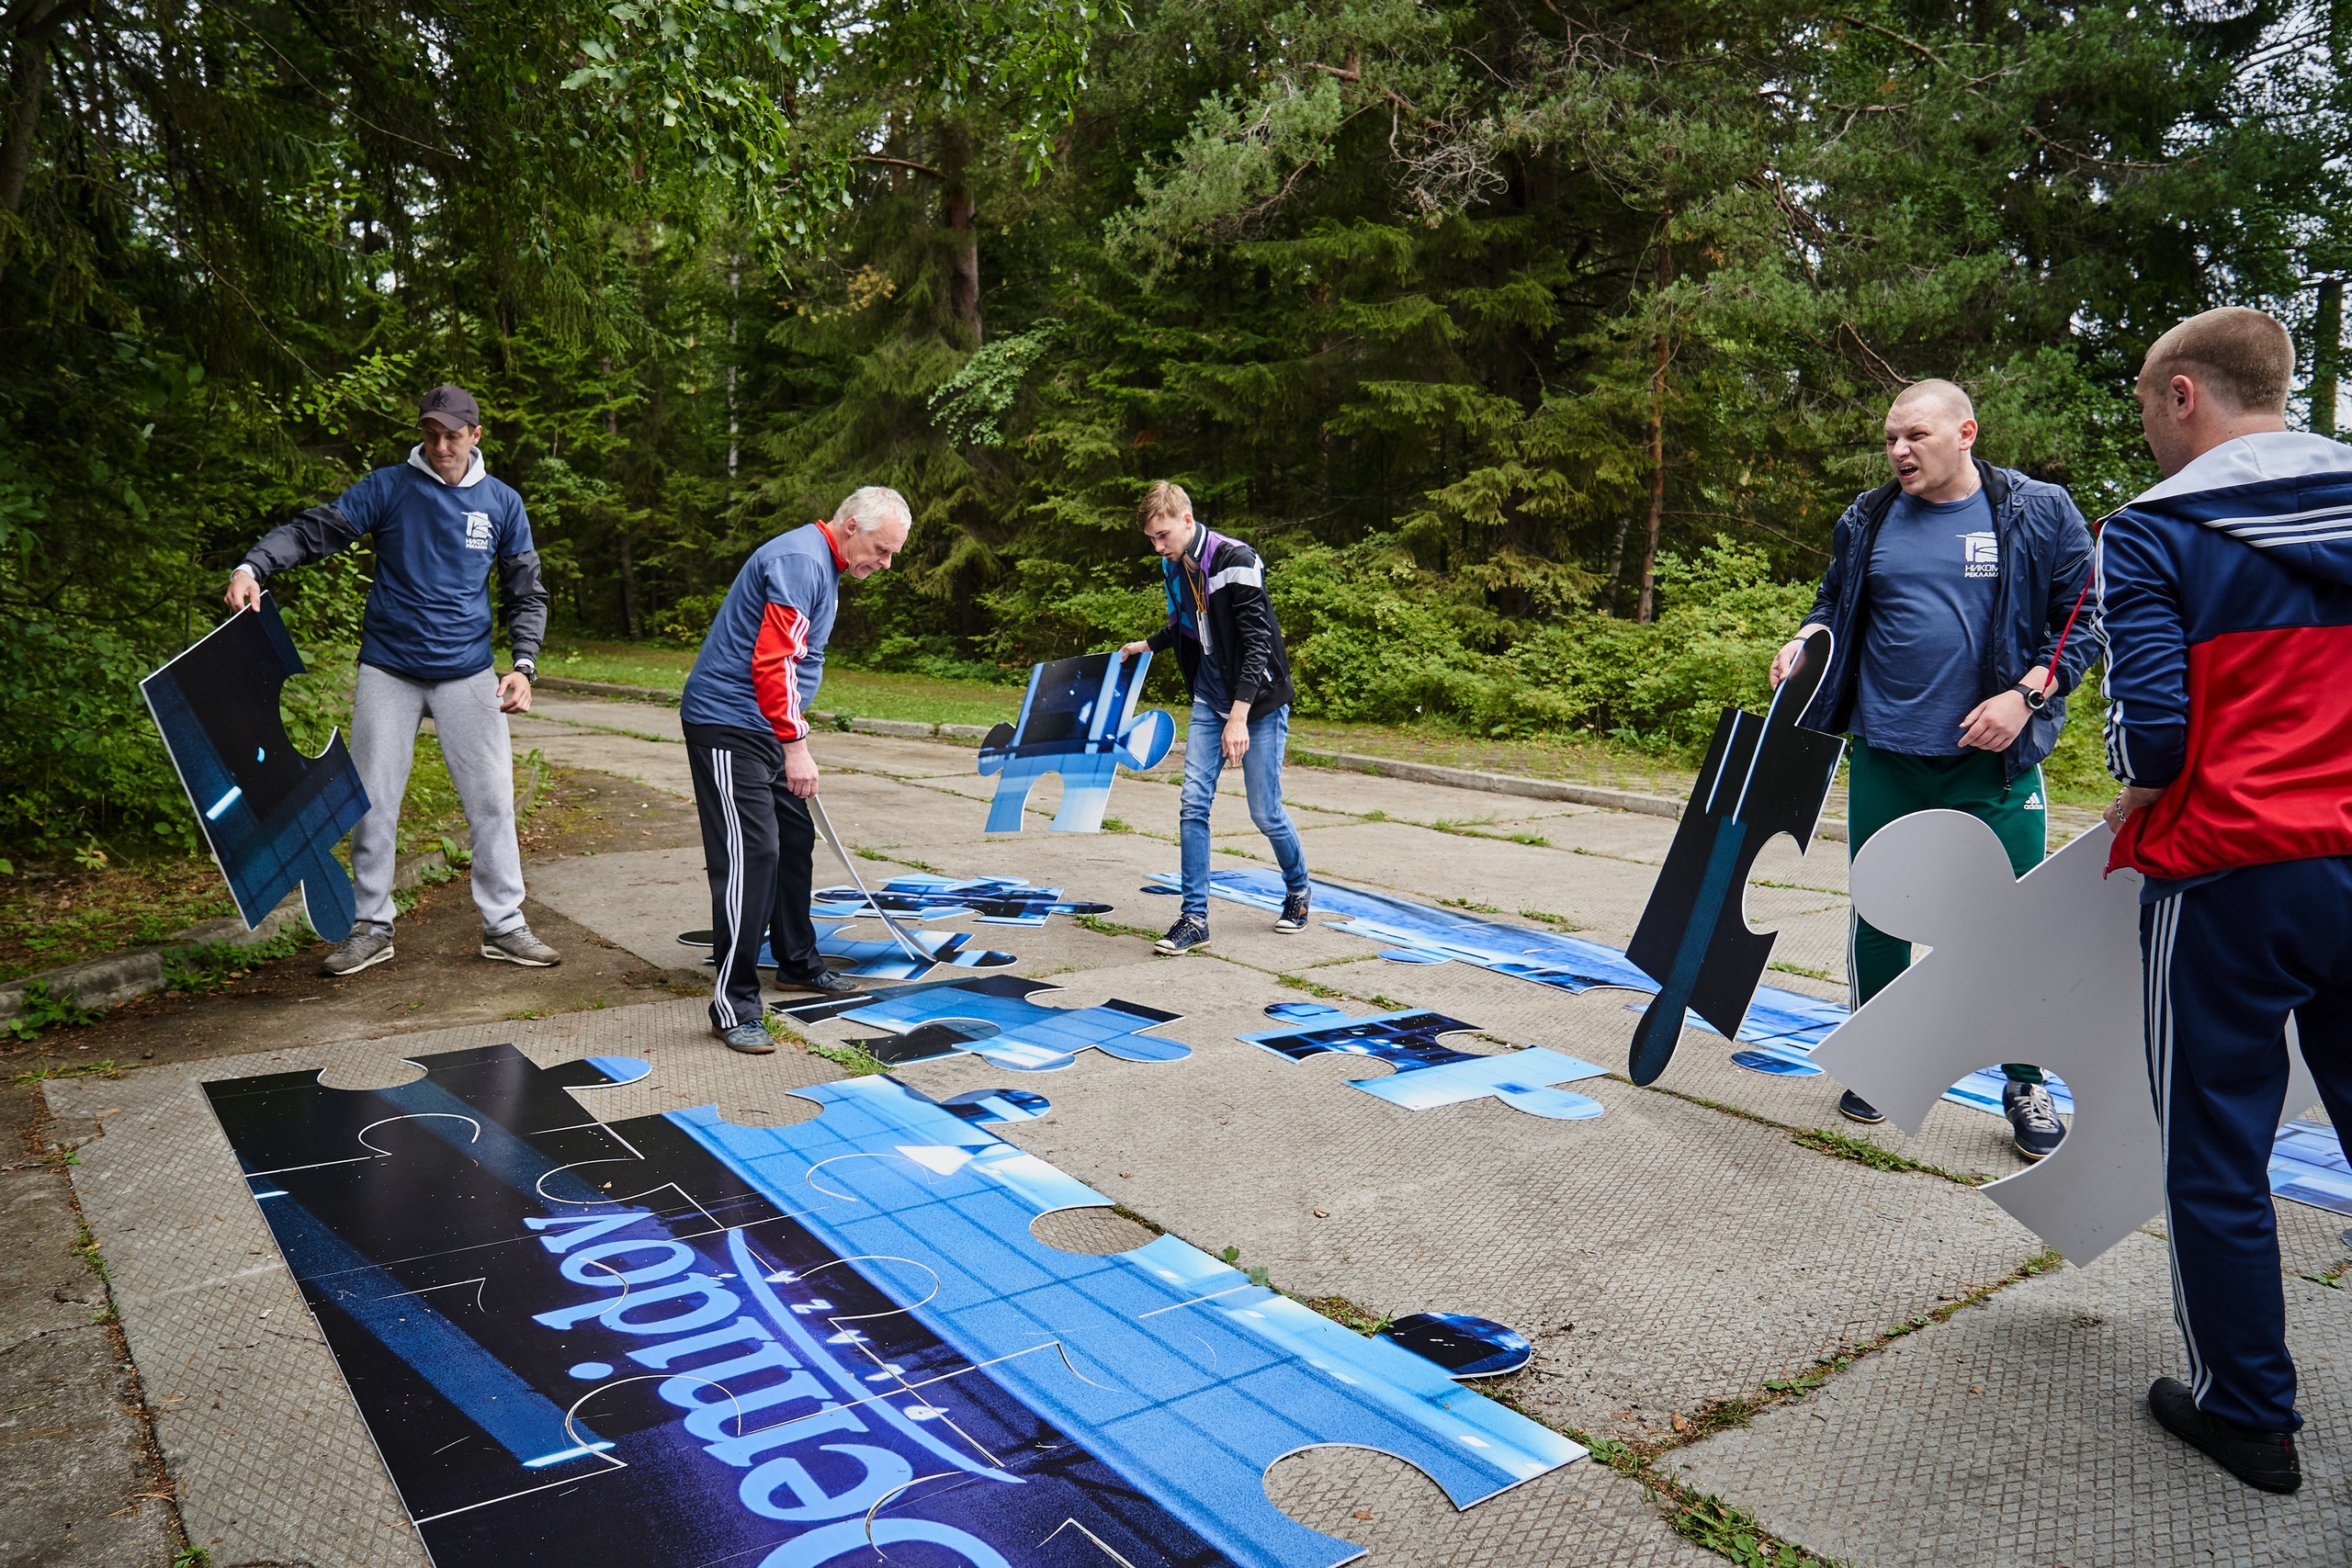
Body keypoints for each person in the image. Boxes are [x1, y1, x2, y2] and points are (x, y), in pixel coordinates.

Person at [2098, 307, 2352, 1495]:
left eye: (2147, 407)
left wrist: (2136, 795)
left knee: (2218, 1147)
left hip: (2233, 874)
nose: (2147, 429)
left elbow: (2152, 729)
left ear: (2184, 395)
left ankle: (2249, 1408)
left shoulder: (2155, 528)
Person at [1770, 380, 2094, 1159]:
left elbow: (2084, 624)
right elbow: (1832, 603)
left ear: (1966, 432)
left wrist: (2025, 695)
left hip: (1993, 762)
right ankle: (1887, 1059)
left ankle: (2026, 1080)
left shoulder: (2038, 512)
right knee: (1880, 913)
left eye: (1914, 434)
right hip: (1887, 752)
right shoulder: (1867, 516)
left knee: (2010, 927)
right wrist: (1808, 638)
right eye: (1890, 438)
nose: (1899, 451)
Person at [224, 384, 558, 976]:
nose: (441, 445)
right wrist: (253, 565)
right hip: (389, 667)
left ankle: (504, 925)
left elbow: (525, 591)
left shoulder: (503, 503)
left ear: (476, 436)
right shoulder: (389, 487)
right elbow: (312, 532)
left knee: (492, 800)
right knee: (372, 802)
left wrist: (524, 665)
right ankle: (371, 925)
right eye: (431, 434)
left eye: (453, 435)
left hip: (468, 672)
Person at [681, 487, 913, 1054]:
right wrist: (796, 745)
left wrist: (792, 733)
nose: (883, 565)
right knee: (750, 856)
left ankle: (796, 962)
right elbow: (774, 660)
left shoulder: (822, 566)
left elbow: (796, 663)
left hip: (767, 728)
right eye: (881, 550)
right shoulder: (799, 561)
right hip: (729, 726)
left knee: (793, 838)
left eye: (891, 556)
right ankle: (732, 1004)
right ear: (852, 526)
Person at [1119, 481, 1312, 954]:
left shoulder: (1237, 561)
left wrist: (1240, 717)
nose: (1158, 547)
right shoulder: (1174, 567)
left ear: (1187, 520)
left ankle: (1299, 891)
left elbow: (1257, 643)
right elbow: (1185, 624)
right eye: (1151, 539)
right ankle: (1194, 917)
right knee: (1192, 805)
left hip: (1257, 702)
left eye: (1163, 535)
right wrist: (1148, 645)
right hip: (1209, 698)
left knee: (1264, 811)